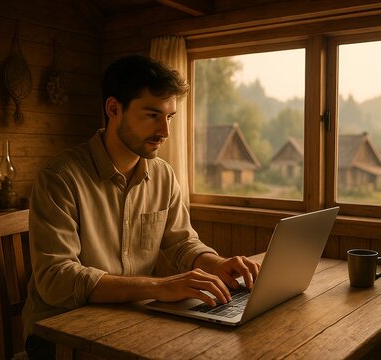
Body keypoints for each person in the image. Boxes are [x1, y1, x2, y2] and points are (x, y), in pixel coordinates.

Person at [22, 54, 260, 360]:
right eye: (152, 115)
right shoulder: (59, 178)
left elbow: (182, 243)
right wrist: (158, 287)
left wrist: (216, 264)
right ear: (113, 109)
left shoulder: (163, 174)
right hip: (59, 334)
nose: (165, 131)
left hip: (129, 323)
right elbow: (57, 279)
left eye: (170, 116)